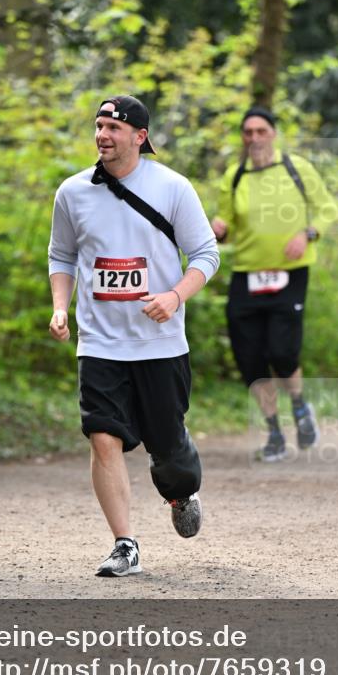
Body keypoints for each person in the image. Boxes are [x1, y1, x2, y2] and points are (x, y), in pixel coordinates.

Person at [48, 95, 219, 577]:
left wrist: (175, 296)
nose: (102, 135)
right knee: (103, 438)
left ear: (140, 136)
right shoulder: (73, 192)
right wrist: (61, 307)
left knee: (168, 447)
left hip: (160, 344)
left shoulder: (173, 187)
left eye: (113, 128)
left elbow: (206, 254)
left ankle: (180, 490)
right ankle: (125, 544)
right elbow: (61, 256)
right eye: (98, 126)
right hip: (100, 343)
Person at [211, 107, 338, 461]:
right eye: (247, 132)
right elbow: (226, 221)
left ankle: (299, 407)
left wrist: (308, 233)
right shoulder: (234, 177)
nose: (254, 138)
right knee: (250, 359)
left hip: (291, 272)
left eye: (261, 131)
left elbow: (327, 209)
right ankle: (274, 434)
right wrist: (218, 229)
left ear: (274, 133)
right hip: (246, 275)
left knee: (282, 352)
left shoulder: (297, 169)